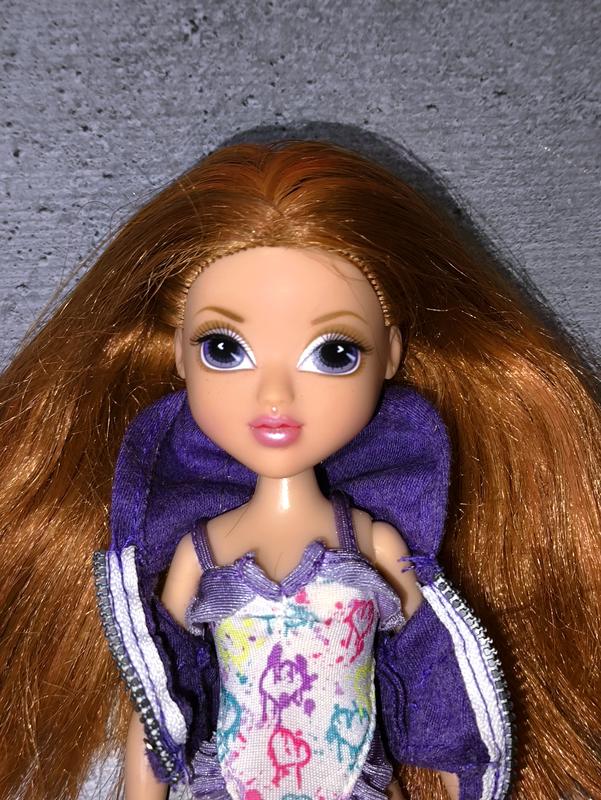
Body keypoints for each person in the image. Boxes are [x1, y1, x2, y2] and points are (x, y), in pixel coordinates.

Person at [0, 141, 598, 800]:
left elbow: (436, 678)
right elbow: (159, 694)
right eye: (225, 349)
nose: (275, 395)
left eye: (334, 353)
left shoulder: (376, 546)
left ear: (390, 355)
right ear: (177, 354)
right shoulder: (201, 554)